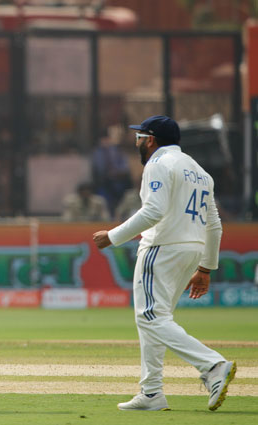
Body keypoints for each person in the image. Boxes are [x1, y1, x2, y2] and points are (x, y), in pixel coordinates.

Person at [92, 115, 235, 412]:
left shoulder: (159, 163)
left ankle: (212, 366)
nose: (137, 144)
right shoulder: (199, 171)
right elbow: (215, 224)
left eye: (138, 138)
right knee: (155, 319)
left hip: (162, 247)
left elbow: (153, 211)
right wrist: (206, 268)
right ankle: (151, 392)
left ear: (151, 139)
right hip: (192, 248)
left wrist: (113, 236)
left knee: (149, 317)